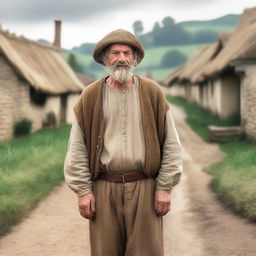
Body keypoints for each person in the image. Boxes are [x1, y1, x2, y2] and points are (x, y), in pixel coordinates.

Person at [64, 29, 183, 256]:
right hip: (104, 188)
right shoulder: (89, 96)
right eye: (115, 53)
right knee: (105, 251)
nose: (121, 59)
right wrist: (83, 191)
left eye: (127, 53)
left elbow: (171, 143)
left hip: (145, 188)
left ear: (135, 59)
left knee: (147, 252)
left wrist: (165, 187)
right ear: (104, 59)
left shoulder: (152, 92)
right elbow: (77, 148)